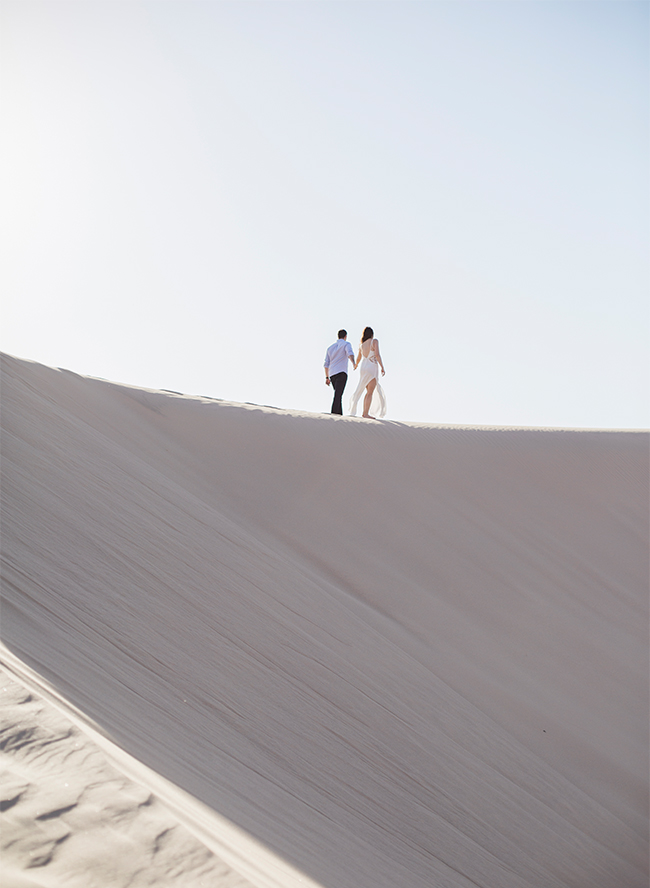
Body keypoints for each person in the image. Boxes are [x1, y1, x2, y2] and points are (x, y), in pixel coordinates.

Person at [349, 326, 386, 418]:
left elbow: (359, 357)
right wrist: (382, 367)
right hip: (371, 366)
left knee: (367, 391)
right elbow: (377, 355)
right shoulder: (374, 341)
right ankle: (365, 413)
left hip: (363, 367)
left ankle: (365, 412)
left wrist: (356, 365)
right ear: (372, 334)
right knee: (370, 392)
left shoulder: (361, 344)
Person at [324, 329, 356, 415]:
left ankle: (339, 415)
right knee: (338, 395)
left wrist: (327, 377)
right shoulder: (346, 344)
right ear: (345, 336)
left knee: (338, 394)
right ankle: (334, 414)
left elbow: (326, 364)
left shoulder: (330, 348)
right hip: (341, 372)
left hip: (332, 374)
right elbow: (350, 354)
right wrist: (354, 363)